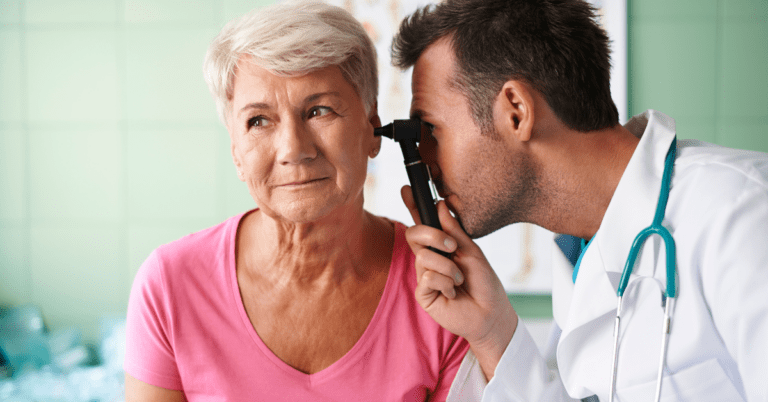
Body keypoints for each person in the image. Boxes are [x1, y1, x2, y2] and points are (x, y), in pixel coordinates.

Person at [391, 0, 768, 401]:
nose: (424, 159)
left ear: (516, 111)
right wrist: (491, 332)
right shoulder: (582, 259)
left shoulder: (741, 213)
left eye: (430, 129)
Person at [123, 2, 474, 401]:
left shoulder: (439, 287)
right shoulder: (169, 286)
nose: (293, 149)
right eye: (258, 120)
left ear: (372, 130)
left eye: (319, 110)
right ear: (237, 152)